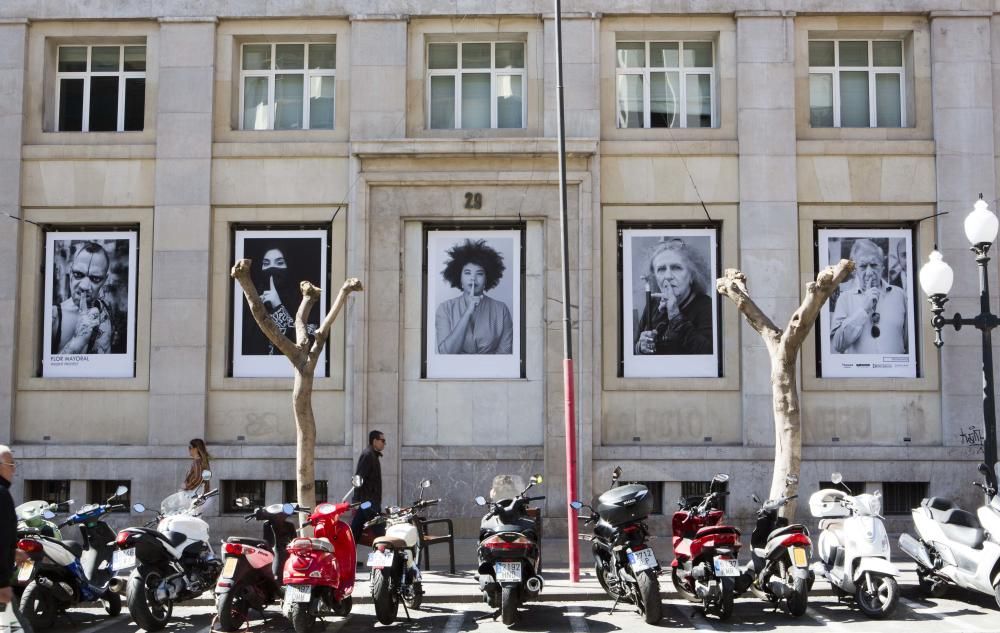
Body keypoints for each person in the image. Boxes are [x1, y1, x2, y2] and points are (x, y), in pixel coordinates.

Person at [634, 238, 714, 355]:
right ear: (655, 277)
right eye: (661, 269)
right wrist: (640, 347)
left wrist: (674, 314)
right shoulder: (653, 304)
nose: (668, 276)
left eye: (676, 268)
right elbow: (634, 350)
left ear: (692, 276)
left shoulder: (706, 306)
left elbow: (708, 352)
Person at [435, 239, 513, 355]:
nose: (473, 278)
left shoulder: (501, 310)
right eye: (467, 273)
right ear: (459, 277)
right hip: (454, 372)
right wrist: (468, 312)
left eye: (479, 274)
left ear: (487, 278)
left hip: (491, 372)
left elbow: (505, 354)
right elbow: (446, 353)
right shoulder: (445, 309)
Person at [831, 238, 907, 354]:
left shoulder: (900, 295)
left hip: (894, 370)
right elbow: (838, 345)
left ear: (882, 266)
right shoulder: (845, 298)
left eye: (874, 265)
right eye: (863, 266)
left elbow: (907, 341)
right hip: (858, 371)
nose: (869, 272)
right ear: (855, 271)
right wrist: (863, 310)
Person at [51, 241, 122, 355]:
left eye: (95, 278)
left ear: (104, 280)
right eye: (78, 274)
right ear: (70, 271)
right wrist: (78, 341)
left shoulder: (107, 311)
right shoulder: (53, 317)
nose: (84, 286)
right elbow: (48, 369)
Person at [244, 247, 318, 355]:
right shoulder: (252, 300)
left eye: (279, 262)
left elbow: (309, 338)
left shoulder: (304, 300)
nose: (272, 268)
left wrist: (277, 305)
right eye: (266, 263)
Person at [0, 446, 32, 633]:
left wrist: (14, 552)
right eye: (11, 464)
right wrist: (3, 583)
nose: (14, 469)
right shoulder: (2, 494)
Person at [350, 430, 386, 545]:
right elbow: (359, 478)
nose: (384, 444)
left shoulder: (372, 455)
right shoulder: (367, 455)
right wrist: (356, 500)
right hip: (368, 503)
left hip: (369, 502)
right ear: (375, 441)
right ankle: (386, 554)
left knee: (355, 530)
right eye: (383, 441)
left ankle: (349, 558)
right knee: (380, 531)